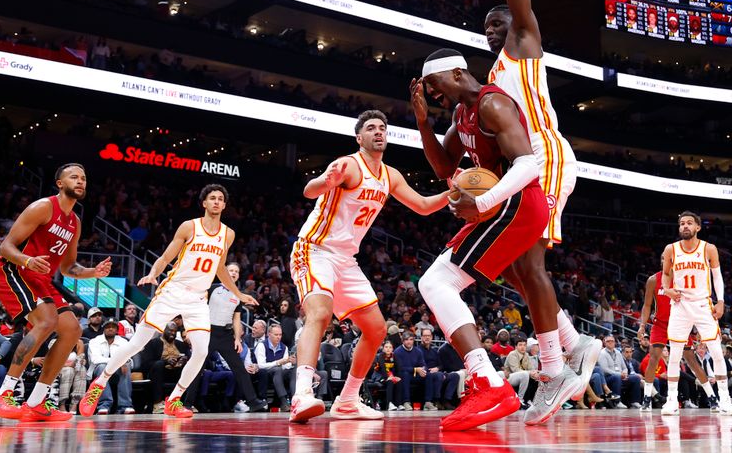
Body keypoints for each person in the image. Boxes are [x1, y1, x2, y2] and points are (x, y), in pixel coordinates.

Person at [440, 0, 601, 425]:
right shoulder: (491, 74)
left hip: (544, 155)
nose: (491, 30)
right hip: (523, 164)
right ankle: (576, 344)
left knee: (529, 265)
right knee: (512, 266)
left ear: (516, 23)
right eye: (486, 26)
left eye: (497, 22)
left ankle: (554, 371)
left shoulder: (524, 43)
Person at [410, 47, 581, 432]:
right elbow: (443, 167)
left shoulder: (492, 103)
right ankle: (551, 366)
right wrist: (423, 122)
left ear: (455, 74)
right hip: (505, 207)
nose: (432, 93)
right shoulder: (460, 114)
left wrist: (482, 201)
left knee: (438, 282)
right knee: (489, 279)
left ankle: (490, 383)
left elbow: (527, 164)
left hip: (517, 203)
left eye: (433, 85)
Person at [288, 110, 451, 422]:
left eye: (383, 128)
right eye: (372, 128)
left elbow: (423, 206)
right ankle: (302, 394)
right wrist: (326, 180)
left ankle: (348, 400)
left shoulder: (391, 175)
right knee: (319, 314)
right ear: (359, 137)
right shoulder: (349, 164)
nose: (379, 132)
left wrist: (452, 193)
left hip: (346, 261)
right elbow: (309, 191)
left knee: (376, 330)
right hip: (315, 250)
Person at [80, 184, 257, 419]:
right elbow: (165, 257)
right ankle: (99, 384)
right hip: (173, 291)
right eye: (212, 198)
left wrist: (238, 293)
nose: (216, 201)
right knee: (137, 344)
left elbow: (220, 267)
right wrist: (153, 274)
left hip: (197, 298)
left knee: (202, 351)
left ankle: (174, 400)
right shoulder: (189, 227)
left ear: (224, 205)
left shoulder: (228, 233)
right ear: (204, 203)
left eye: (220, 199)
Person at [0, 163, 112, 421]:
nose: (80, 181)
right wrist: (27, 261)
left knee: (73, 330)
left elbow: (68, 268)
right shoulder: (43, 207)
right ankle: (2, 395)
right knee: (46, 321)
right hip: (15, 271)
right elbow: (5, 247)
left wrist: (93, 272)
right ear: (59, 183)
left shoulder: (74, 222)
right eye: (74, 177)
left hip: (40, 279)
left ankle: (37, 402)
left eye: (84, 178)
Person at [660, 211, 732, 416]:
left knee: (716, 351)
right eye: (681, 224)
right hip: (679, 305)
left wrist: (720, 301)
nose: (685, 226)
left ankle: (724, 400)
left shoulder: (708, 248)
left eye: (689, 223)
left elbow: (717, 277)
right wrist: (667, 289)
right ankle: (671, 400)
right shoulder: (671, 249)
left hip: (704, 304)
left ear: (698, 227)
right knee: (675, 354)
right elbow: (666, 275)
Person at [637, 267, 715, 412]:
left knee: (691, 360)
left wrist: (698, 328)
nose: (664, 262)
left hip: (680, 324)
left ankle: (712, 397)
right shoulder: (653, 280)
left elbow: (695, 305)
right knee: (653, 357)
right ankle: (647, 399)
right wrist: (642, 326)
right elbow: (647, 305)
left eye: (667, 260)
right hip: (660, 324)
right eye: (662, 260)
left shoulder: (683, 280)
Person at [207, 262, 267, 412]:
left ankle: (253, 401)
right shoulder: (213, 288)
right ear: (223, 272)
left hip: (226, 335)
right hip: (207, 333)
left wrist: (237, 339)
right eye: (230, 270)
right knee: (196, 368)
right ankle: (185, 403)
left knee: (239, 368)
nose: (233, 273)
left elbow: (236, 319)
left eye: (236, 271)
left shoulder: (239, 294)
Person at [86, 318, 134, 415]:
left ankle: (125, 406)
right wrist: (119, 361)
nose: (110, 329)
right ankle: (104, 405)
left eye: (113, 327)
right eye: (108, 327)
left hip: (117, 373)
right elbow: (96, 360)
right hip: (99, 372)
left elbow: (129, 358)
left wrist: (123, 362)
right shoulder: (95, 341)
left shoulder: (123, 341)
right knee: (102, 366)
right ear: (103, 328)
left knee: (126, 365)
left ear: (117, 329)